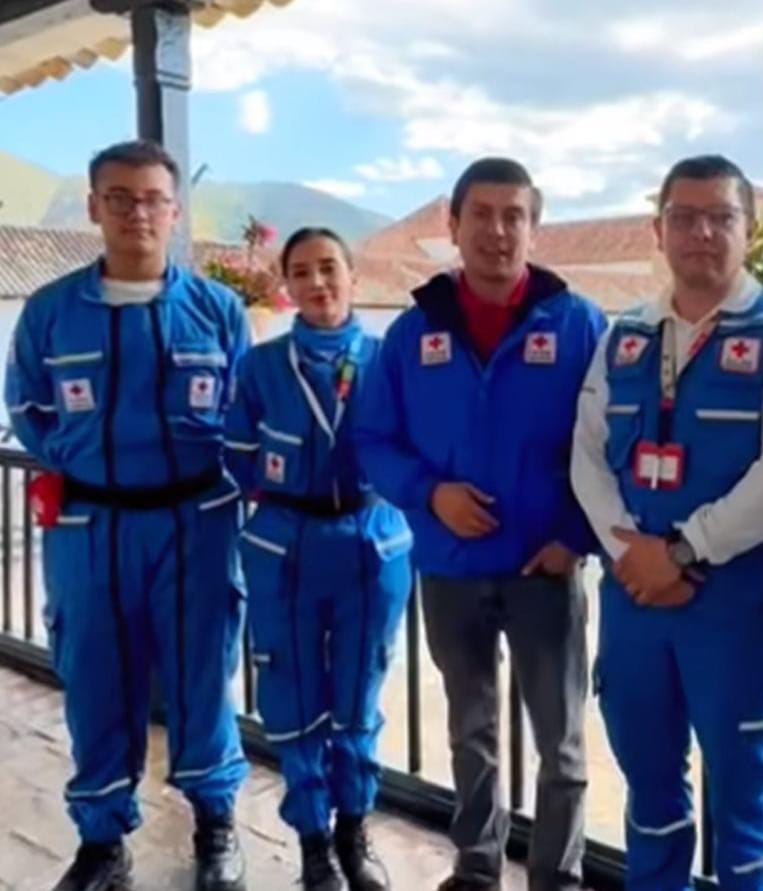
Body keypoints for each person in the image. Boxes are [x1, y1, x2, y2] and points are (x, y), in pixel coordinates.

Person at [4, 140, 250, 891]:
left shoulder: (217, 310)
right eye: (119, 197)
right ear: (93, 207)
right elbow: (29, 409)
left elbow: (244, 412)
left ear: (175, 212)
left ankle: (216, 824)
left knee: (202, 674)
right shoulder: (49, 313)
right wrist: (90, 468)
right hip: (91, 529)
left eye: (151, 198)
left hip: (197, 525)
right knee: (95, 680)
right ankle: (102, 840)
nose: (136, 211)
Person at [353, 157, 605, 891]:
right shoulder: (411, 333)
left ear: (533, 225)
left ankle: (558, 874)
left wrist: (577, 539)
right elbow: (374, 439)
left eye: (513, 215)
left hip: (546, 568)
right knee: (471, 728)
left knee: (560, 741)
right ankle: (477, 863)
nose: (498, 230)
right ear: (453, 225)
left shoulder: (579, 323)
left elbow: (607, 444)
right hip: (451, 568)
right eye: (482, 214)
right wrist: (431, 495)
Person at [571, 154, 763, 891]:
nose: (701, 232)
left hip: (737, 603)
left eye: (722, 216)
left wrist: (680, 551)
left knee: (745, 800)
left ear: (751, 230)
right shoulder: (625, 335)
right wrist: (630, 551)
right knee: (648, 789)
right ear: (659, 229)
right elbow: (587, 453)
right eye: (684, 217)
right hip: (636, 599)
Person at [224, 228, 412, 891]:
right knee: (294, 694)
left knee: (359, 697)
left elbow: (419, 448)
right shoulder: (261, 366)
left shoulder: (391, 360)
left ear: (353, 276)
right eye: (301, 272)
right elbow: (236, 451)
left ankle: (354, 832)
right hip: (286, 547)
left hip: (371, 543)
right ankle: (311, 842)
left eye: (329, 267)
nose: (317, 283)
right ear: (287, 285)